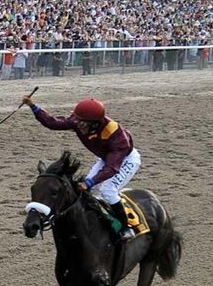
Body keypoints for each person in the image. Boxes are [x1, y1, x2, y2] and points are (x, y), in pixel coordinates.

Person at [23, 97, 141, 240]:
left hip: (125, 160)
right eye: (77, 119)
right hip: (106, 158)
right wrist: (33, 106)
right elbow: (52, 123)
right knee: (89, 192)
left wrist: (90, 182)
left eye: (81, 122)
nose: (76, 124)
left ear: (94, 123)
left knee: (107, 190)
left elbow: (111, 168)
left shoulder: (116, 135)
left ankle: (125, 227)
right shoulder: (79, 121)